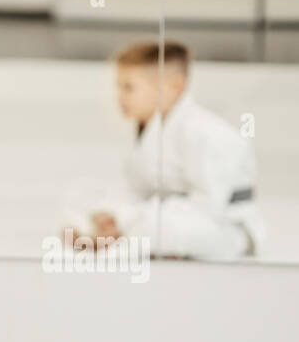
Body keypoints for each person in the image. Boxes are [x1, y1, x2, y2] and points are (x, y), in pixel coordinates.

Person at [66, 40, 263, 259]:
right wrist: (111, 214)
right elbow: (136, 190)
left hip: (225, 229)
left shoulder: (210, 134)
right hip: (163, 217)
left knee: (157, 228)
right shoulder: (150, 131)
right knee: (80, 201)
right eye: (118, 87)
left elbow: (211, 207)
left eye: (129, 87)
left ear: (174, 86)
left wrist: (128, 218)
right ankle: (109, 239)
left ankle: (108, 245)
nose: (119, 97)